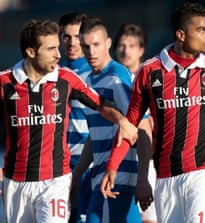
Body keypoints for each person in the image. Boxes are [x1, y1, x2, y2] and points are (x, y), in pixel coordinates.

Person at [101, 2, 205, 223]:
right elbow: (130, 125)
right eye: (201, 30)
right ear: (181, 35)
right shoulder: (150, 72)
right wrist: (112, 165)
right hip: (166, 177)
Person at [0, 19, 137, 223]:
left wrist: (121, 121)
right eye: (51, 49)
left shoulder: (66, 79)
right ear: (31, 52)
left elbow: (100, 104)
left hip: (55, 182)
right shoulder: (5, 82)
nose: (59, 54)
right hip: (15, 183)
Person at [70, 16, 142, 223]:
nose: (91, 52)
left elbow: (135, 125)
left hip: (118, 177)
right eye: (86, 46)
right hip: (99, 177)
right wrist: (78, 175)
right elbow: (94, 136)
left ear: (108, 44)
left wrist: (138, 175)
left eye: (96, 44)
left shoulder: (117, 77)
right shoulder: (89, 81)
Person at [114, 23, 157, 223]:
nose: (125, 50)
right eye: (122, 45)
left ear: (141, 50)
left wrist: (145, 174)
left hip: (144, 164)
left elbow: (147, 127)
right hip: (118, 164)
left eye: (131, 46)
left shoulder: (148, 80)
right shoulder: (111, 80)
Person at [58, 12, 92, 223]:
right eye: (66, 36)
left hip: (86, 165)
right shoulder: (52, 74)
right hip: (56, 169)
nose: (72, 43)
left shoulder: (96, 73)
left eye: (77, 36)